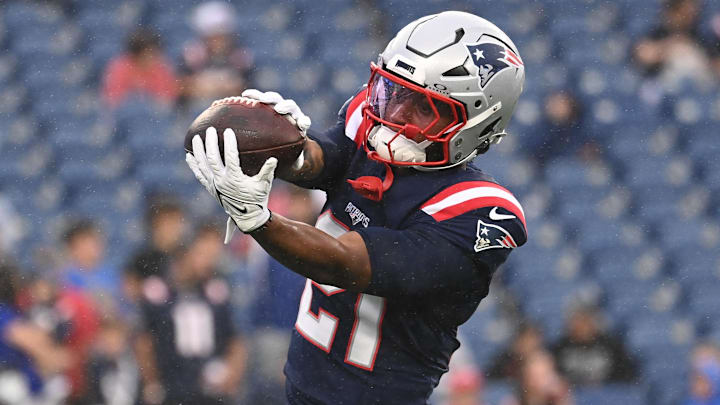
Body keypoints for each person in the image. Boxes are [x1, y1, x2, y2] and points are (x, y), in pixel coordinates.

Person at [186, 11, 527, 404]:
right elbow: (327, 159)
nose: (395, 114)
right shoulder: (373, 126)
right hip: (302, 389)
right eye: (395, 91)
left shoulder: (479, 212)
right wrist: (286, 147)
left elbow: (345, 263)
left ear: (476, 123)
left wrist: (259, 221)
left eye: (423, 107)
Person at [135, 224, 247, 405]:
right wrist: (152, 382)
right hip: (172, 385)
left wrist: (233, 375)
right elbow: (144, 342)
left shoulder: (215, 291)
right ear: (183, 256)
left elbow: (235, 340)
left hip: (210, 385)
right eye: (199, 254)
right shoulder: (158, 291)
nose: (206, 260)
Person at [0, 261, 71, 404]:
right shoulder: (3, 311)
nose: (15, 284)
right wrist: (53, 355)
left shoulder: (16, 310)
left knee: (59, 386)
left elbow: (40, 338)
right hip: (8, 377)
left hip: (29, 379)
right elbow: (30, 341)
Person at [180, 1, 254, 109]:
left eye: (221, 35)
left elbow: (248, 90)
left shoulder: (240, 55)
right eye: (213, 36)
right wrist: (211, 86)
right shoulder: (192, 54)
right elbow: (181, 87)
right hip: (199, 110)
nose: (218, 41)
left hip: (232, 111)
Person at [550, 305, 637, 386]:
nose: (582, 326)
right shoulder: (559, 348)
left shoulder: (611, 345)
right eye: (578, 321)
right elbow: (552, 376)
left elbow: (626, 375)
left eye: (586, 321)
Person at [102, 28, 179, 108]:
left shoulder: (160, 67)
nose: (153, 58)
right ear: (137, 54)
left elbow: (167, 98)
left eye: (155, 54)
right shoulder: (120, 68)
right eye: (148, 54)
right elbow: (113, 100)